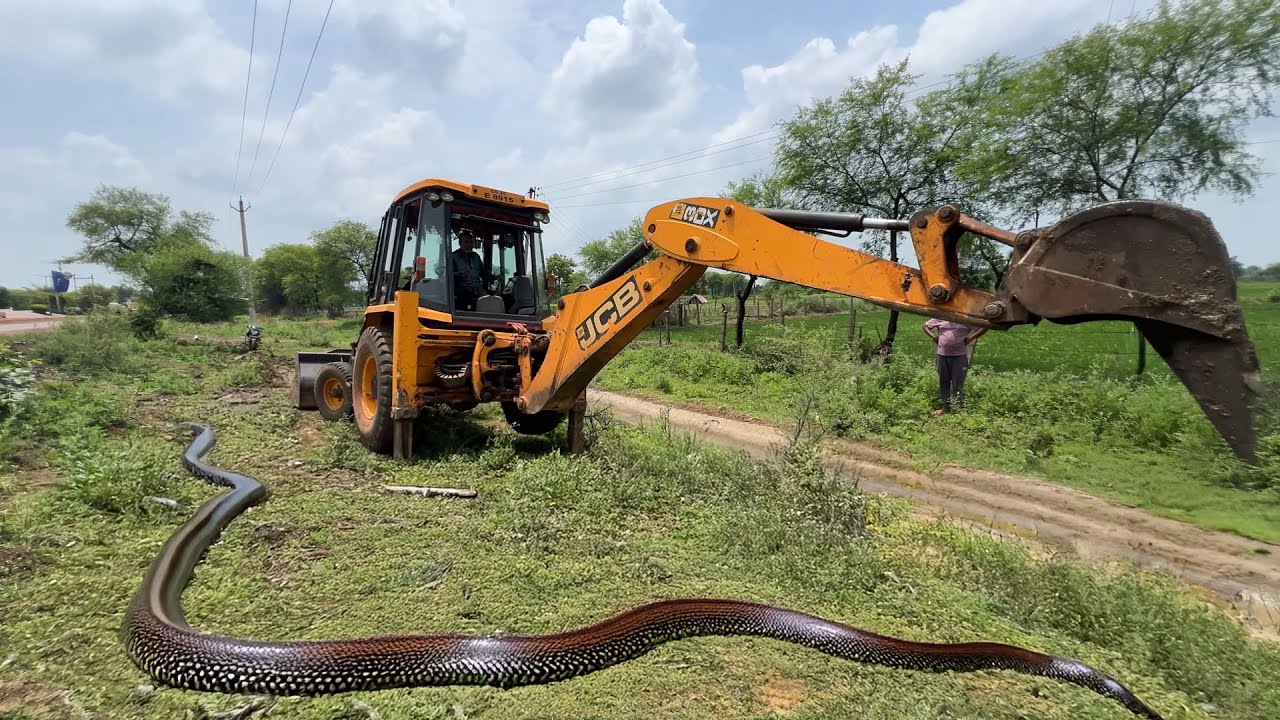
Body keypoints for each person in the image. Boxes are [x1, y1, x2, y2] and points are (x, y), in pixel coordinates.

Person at [923, 318, 986, 415]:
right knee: (944, 382)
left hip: (959, 357)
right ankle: (945, 408)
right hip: (942, 356)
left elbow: (984, 326)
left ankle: (957, 409)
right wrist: (933, 337)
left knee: (958, 384)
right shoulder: (941, 317)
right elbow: (925, 326)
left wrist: (971, 337)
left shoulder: (965, 320)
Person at [451, 229, 488, 310]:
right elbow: (447, 274)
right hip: (460, 291)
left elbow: (484, 273)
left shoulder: (476, 257)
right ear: (460, 243)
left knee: (490, 301)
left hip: (477, 290)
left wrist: (495, 277)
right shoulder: (453, 256)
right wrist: (458, 274)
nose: (469, 245)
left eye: (471, 242)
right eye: (466, 242)